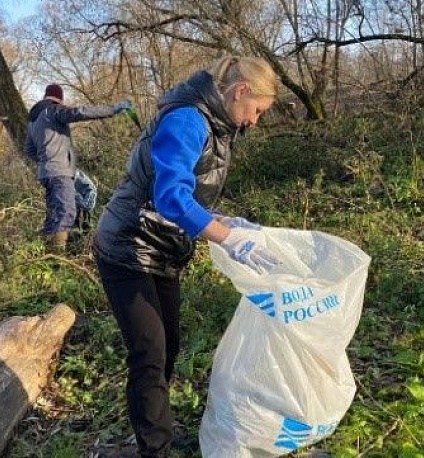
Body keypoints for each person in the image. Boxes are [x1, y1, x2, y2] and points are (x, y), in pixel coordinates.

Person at [92, 56, 279, 457]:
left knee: (169, 344)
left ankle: (157, 427)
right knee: (149, 351)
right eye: (258, 111)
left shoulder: (220, 126)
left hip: (161, 248)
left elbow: (187, 196)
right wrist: (226, 239)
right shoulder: (188, 120)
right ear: (240, 91)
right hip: (126, 247)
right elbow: (170, 196)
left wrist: (225, 221)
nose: (255, 121)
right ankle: (153, 448)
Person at [24, 83, 132, 252]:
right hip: (60, 172)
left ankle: (44, 258)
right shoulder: (53, 110)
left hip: (46, 174)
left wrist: (45, 161)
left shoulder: (33, 119)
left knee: (54, 214)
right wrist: (113, 109)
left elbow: (29, 150)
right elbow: (80, 112)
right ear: (58, 98)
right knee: (67, 212)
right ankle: (57, 258)